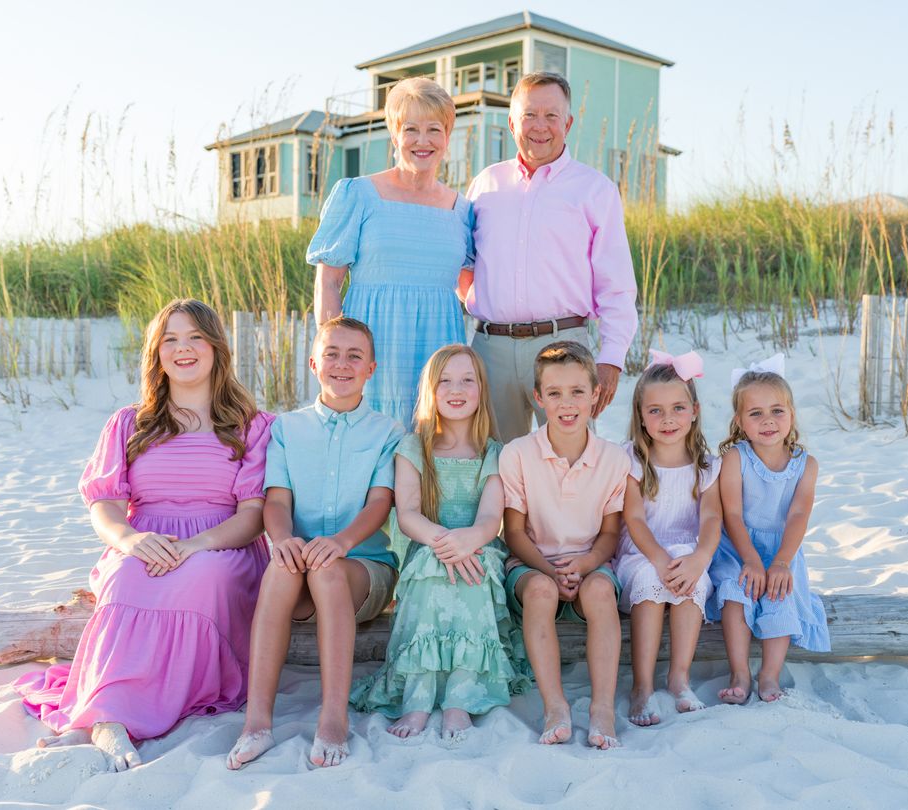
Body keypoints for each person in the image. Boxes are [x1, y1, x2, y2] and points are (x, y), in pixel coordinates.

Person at [14, 299, 274, 771]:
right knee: (125, 578)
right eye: (170, 339)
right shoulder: (130, 422)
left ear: (216, 347)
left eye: (195, 337)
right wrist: (130, 541)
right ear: (156, 353)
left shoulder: (250, 425)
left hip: (222, 545)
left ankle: (122, 714)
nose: (184, 348)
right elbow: (105, 506)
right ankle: (103, 717)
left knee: (201, 576)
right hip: (144, 539)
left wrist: (195, 545)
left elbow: (253, 515)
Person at [226, 316, 404, 770]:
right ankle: (257, 721)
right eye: (332, 354)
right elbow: (277, 500)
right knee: (280, 565)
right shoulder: (286, 429)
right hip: (301, 566)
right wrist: (282, 540)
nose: (342, 364)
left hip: (364, 569)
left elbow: (380, 502)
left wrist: (341, 542)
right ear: (313, 363)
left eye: (354, 356)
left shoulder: (387, 432)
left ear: (371, 368)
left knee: (326, 567)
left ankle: (332, 717)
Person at [350, 345, 528, 741]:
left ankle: (459, 700)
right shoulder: (414, 448)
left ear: (482, 389)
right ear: (430, 390)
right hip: (429, 546)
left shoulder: (494, 453)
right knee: (433, 566)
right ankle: (417, 699)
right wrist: (443, 541)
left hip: (479, 546)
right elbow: (408, 512)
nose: (456, 388)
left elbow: (489, 519)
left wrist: (468, 541)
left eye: (467, 379)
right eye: (444, 381)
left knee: (476, 572)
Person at [464, 71, 638, 443]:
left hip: (565, 345)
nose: (539, 127)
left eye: (551, 116)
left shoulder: (595, 190)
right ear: (512, 123)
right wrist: (473, 298)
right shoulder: (485, 185)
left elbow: (617, 285)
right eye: (529, 115)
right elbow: (464, 259)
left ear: (568, 123)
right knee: (494, 463)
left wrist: (611, 358)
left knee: (570, 462)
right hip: (490, 348)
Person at [308, 77, 474, 429]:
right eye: (411, 129)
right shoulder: (357, 194)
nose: (423, 141)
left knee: (432, 455)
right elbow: (328, 282)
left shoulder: (463, 210)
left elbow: (468, 288)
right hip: (374, 351)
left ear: (448, 135)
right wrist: (337, 358)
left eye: (434, 129)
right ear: (394, 133)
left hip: (439, 350)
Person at [499, 341, 629, 749]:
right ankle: (555, 705)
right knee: (539, 591)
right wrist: (550, 571)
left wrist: (586, 564)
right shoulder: (517, 454)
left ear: (595, 395)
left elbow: (610, 534)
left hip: (590, 562)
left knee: (601, 591)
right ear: (538, 399)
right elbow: (514, 532)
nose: (566, 403)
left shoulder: (614, 459)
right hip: (532, 562)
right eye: (554, 393)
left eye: (577, 392)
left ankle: (602, 708)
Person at [706, 357, 831, 704]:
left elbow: (798, 514)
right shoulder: (736, 458)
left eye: (777, 411)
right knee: (735, 591)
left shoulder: (806, 465)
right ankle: (740, 672)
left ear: (791, 414)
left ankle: (770, 674)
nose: (768, 421)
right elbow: (731, 512)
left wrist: (780, 562)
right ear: (739, 421)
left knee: (780, 593)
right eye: (755, 413)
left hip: (782, 548)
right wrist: (749, 558)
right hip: (737, 546)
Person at [613, 350, 722, 726]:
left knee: (694, 579)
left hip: (687, 554)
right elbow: (634, 519)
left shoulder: (707, 466)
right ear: (641, 417)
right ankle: (642, 685)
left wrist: (700, 558)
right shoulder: (631, 461)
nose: (668, 419)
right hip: (639, 554)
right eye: (655, 410)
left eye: (677, 408)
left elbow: (711, 519)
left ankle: (679, 678)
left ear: (694, 410)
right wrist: (658, 559)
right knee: (649, 578)